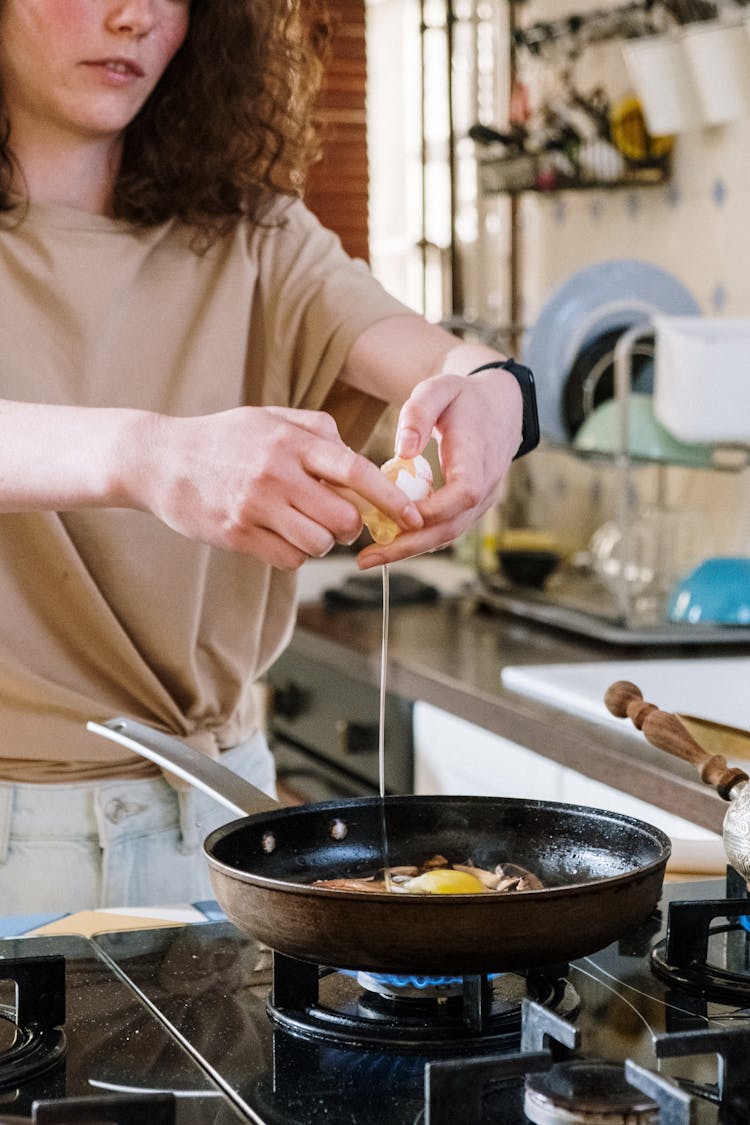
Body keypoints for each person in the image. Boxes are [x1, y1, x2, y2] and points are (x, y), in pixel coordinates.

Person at [0, 0, 526, 914]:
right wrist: (149, 455)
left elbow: (441, 358)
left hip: (221, 822)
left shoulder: (253, 233)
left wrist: (492, 394)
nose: (136, 17)